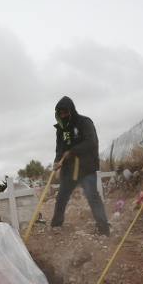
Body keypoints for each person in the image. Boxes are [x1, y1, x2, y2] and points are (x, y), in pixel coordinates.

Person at [51, 97, 110, 236]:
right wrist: (57, 161)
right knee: (61, 198)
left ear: (71, 111)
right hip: (69, 170)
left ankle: (103, 227)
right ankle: (56, 226)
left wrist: (72, 152)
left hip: (86, 168)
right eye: (61, 114)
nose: (64, 116)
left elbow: (91, 141)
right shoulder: (60, 129)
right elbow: (59, 149)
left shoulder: (84, 122)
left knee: (92, 195)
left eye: (66, 113)